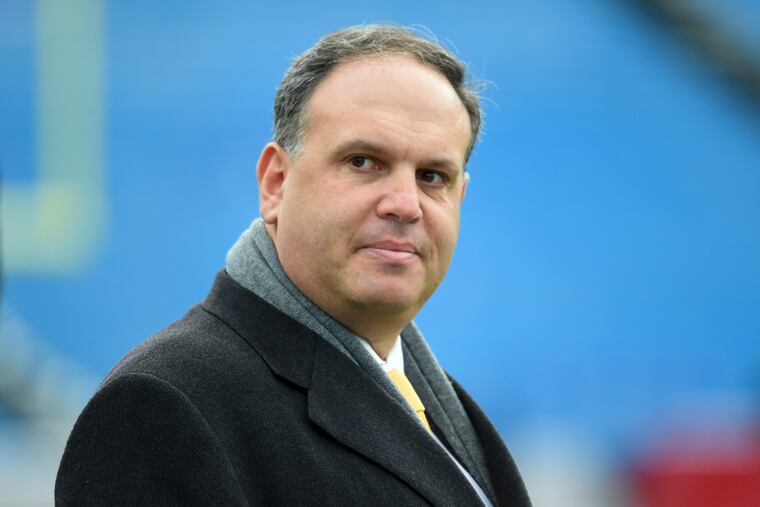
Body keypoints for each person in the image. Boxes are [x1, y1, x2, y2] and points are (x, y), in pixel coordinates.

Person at [55, 25, 531, 506]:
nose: (406, 205)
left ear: (460, 197)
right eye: (363, 162)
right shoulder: (163, 407)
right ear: (276, 183)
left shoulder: (434, 402)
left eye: (432, 176)